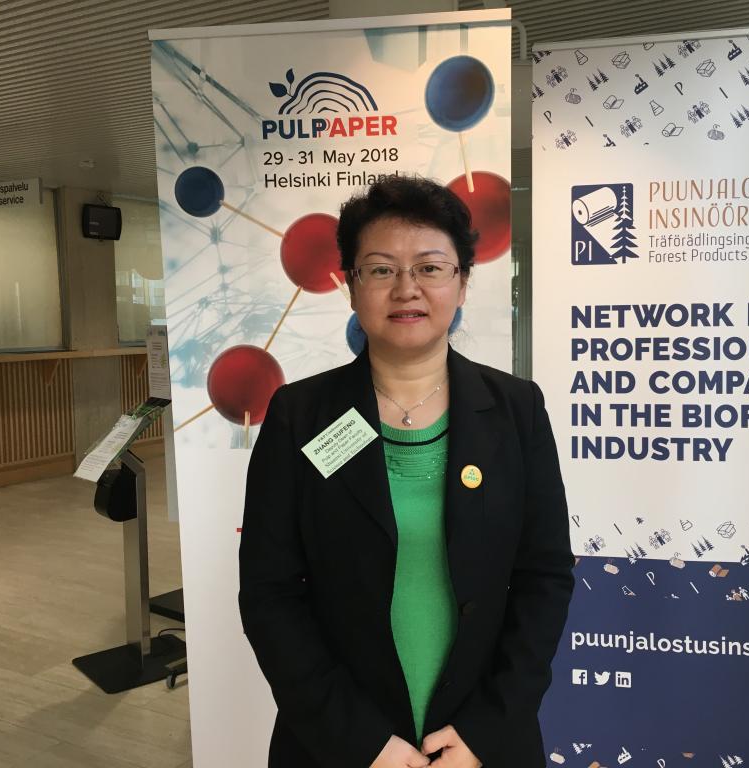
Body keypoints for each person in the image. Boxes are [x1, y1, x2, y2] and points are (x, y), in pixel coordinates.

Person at [239, 175, 574, 768]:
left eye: (430, 267)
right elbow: (270, 594)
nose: (406, 288)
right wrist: (360, 741)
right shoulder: (299, 415)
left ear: (463, 282)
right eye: (380, 269)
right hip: (337, 745)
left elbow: (543, 577)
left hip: (483, 743)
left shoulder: (516, 410)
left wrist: (485, 730)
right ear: (350, 286)